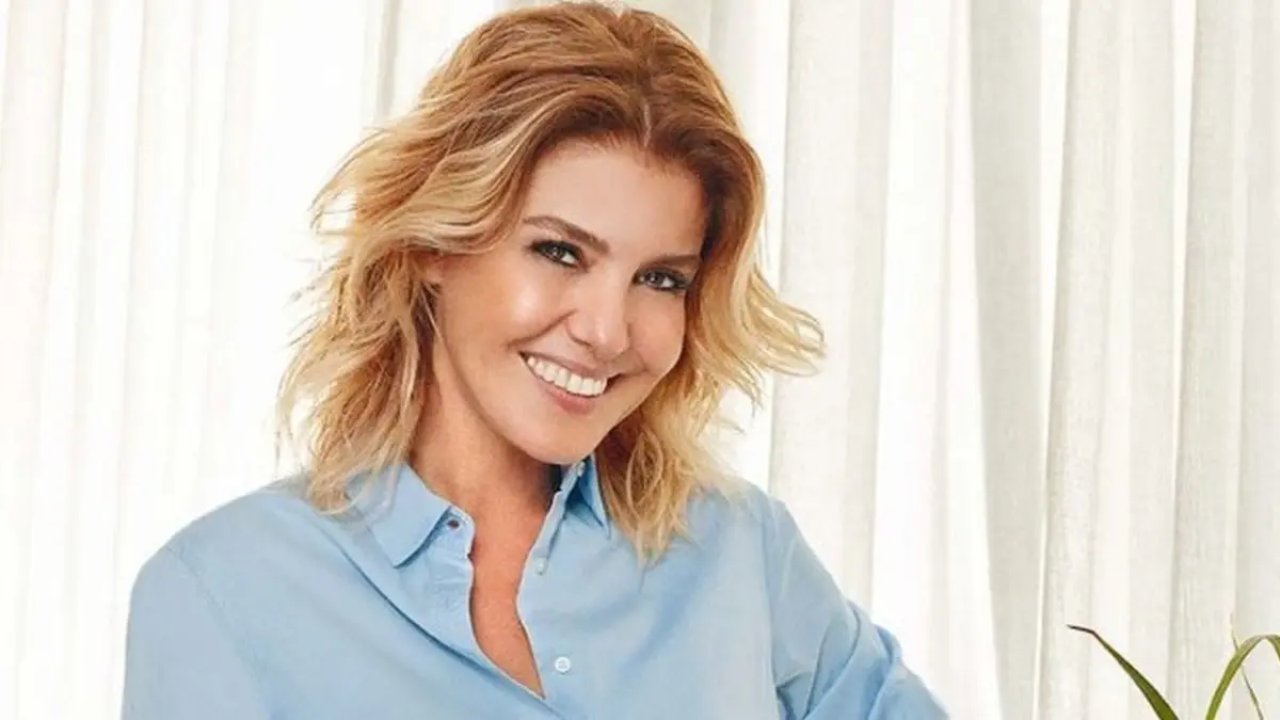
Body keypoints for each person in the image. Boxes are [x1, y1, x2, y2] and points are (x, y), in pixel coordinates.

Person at [120, 3, 947, 718]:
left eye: (660, 279)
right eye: (559, 252)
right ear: (437, 244)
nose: (608, 331)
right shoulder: (224, 592)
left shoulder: (738, 552)